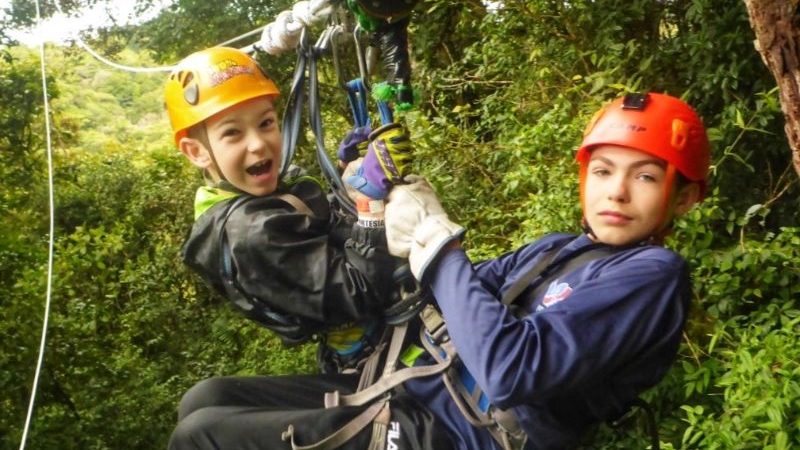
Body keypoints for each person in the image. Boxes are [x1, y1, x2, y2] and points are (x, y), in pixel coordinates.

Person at [168, 92, 710, 450]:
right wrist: (365, 199)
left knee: (204, 437)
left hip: (464, 432)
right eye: (604, 171)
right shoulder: (556, 249)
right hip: (416, 385)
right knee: (206, 398)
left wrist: (437, 241)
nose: (617, 191)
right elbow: (448, 291)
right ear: (585, 177)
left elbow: (508, 370)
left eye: (644, 177)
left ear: (683, 198)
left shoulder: (652, 276)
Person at [164, 46, 412, 372]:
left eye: (266, 123)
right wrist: (369, 200)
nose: (258, 143)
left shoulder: (258, 193)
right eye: (232, 133)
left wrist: (346, 169)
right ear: (197, 151)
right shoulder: (251, 234)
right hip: (380, 347)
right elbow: (360, 291)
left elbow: (316, 226)